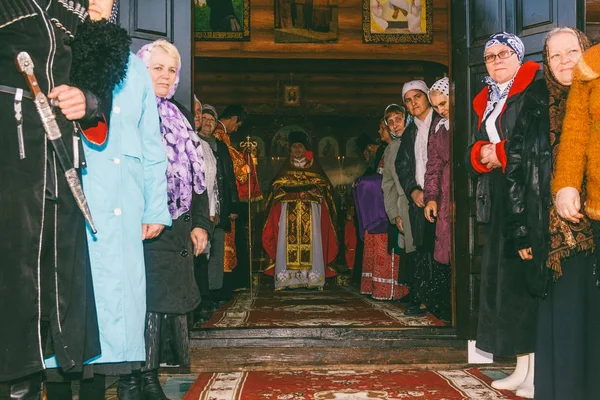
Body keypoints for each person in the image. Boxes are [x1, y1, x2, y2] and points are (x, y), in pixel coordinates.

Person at [43, 1, 172, 399]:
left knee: (110, 318)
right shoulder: (57, 45)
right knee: (65, 304)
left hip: (121, 200)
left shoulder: (133, 67)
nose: (99, 0)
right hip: (66, 195)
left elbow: (151, 141)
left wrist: (154, 206)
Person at [0, 1, 104, 398]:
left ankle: (31, 381)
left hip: (58, 162)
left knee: (52, 276)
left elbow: (99, 90)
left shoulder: (70, 14)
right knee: (12, 270)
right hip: (10, 154)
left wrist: (86, 100)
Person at [512, 28, 600, 400]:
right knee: (564, 321)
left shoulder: (594, 94)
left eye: (572, 51)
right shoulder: (530, 104)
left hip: (595, 224)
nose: (566, 61)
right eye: (556, 55)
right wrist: (520, 233)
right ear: (546, 64)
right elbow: (516, 172)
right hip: (555, 236)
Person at [137, 39, 213, 400]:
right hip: (145, 224)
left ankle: (150, 375)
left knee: (167, 302)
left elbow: (197, 175)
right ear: (141, 70)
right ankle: (140, 379)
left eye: (172, 70)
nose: (166, 76)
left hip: (178, 224)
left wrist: (200, 222)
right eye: (158, 68)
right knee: (148, 302)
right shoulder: (129, 111)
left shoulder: (177, 114)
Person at [467, 32, 539, 397]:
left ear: (519, 57)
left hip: (527, 193)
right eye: (489, 57)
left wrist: (501, 153)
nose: (496, 61)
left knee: (525, 281)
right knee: (504, 283)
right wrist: (482, 154)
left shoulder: (533, 88)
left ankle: (537, 372)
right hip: (497, 196)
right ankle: (521, 367)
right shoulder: (487, 99)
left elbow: (533, 142)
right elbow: (476, 144)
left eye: (503, 54)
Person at [262, 131, 338, 290]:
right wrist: (291, 191)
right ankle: (287, 280)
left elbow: (325, 189)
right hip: (287, 211)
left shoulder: (315, 169)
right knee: (285, 242)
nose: (297, 149)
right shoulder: (284, 170)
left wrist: (310, 191)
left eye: (300, 146)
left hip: (311, 212)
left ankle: (313, 279)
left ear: (305, 150)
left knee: (313, 241)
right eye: (294, 146)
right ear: (290, 150)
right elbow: (275, 190)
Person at [394, 79, 438, 316]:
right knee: (422, 250)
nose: (413, 103)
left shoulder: (441, 122)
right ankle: (424, 300)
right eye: (408, 101)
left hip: (441, 197)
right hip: (419, 198)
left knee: (441, 250)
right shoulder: (409, 132)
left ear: (427, 97)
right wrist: (413, 190)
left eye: (417, 97)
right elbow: (402, 166)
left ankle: (441, 301)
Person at [355, 119, 409, 301]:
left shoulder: (400, 146)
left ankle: (395, 290)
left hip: (395, 205)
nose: (380, 132)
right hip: (381, 210)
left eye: (382, 128)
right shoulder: (385, 151)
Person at [213, 104, 262, 291]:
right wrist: (246, 165)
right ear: (233, 119)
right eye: (238, 125)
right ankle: (223, 286)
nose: (236, 129)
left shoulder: (223, 136)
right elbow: (236, 169)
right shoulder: (218, 134)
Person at [423, 77, 452, 321]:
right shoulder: (438, 127)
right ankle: (446, 306)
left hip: (464, 188)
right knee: (444, 246)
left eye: (443, 104)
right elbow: (432, 164)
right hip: (444, 192)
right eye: (435, 107)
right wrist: (430, 197)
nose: (440, 110)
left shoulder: (469, 119)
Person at [381, 104, 416, 296]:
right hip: (403, 205)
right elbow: (388, 185)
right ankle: (414, 292)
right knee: (409, 249)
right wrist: (394, 215)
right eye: (390, 122)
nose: (395, 125)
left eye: (399, 119)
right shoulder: (391, 149)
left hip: (422, 202)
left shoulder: (419, 138)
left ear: (407, 118)